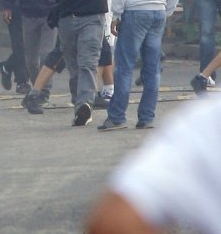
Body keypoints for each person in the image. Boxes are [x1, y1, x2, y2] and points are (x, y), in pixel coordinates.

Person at [86, 97, 221, 234]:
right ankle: (145, 117)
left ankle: (117, 117)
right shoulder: (207, 122)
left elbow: (116, 219)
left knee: (124, 75)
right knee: (151, 76)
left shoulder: (206, 122)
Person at [98, 0, 180, 131]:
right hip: (158, 14)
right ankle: (146, 118)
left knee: (124, 67)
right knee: (152, 69)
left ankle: (117, 118)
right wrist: (166, 10)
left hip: (135, 13)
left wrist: (116, 15)